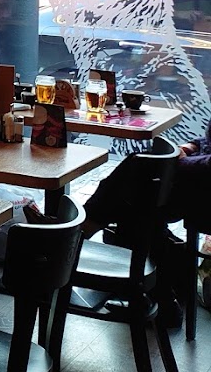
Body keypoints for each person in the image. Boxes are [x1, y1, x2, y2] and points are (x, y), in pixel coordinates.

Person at [50, 132, 211, 329]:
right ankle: (157, 298)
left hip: (204, 193)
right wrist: (191, 147)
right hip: (199, 181)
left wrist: (179, 162)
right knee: (139, 192)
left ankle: (72, 236)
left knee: (139, 176)